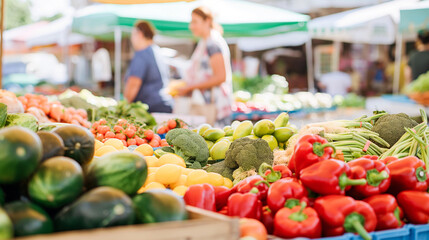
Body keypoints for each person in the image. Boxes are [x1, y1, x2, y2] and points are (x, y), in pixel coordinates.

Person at [178, 6, 233, 126]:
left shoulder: (212, 43)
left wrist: (190, 87)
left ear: (207, 21)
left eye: (195, 22)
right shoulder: (205, 41)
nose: (191, 26)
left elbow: (220, 77)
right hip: (209, 104)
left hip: (216, 107)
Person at [124, 21, 173, 113]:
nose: (131, 40)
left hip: (150, 108)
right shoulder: (157, 51)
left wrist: (124, 107)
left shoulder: (142, 53)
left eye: (132, 35)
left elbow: (134, 82)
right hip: (165, 104)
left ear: (140, 34)